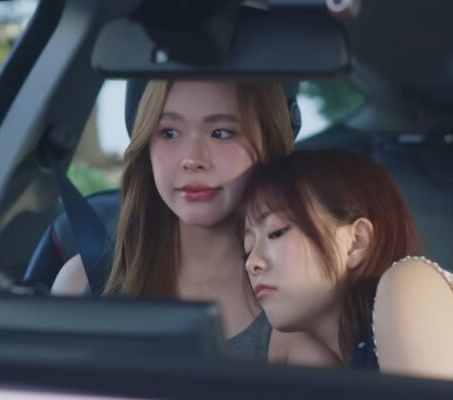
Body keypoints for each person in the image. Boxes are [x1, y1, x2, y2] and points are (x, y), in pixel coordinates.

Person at [52, 80, 335, 365]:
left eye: (221, 133)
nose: (192, 159)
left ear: (269, 146)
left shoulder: (299, 317)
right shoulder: (82, 282)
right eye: (170, 132)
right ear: (146, 146)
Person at [240, 149, 453, 382]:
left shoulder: (411, 284)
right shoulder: (336, 363)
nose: (253, 262)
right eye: (247, 249)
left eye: (276, 232)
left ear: (356, 242)